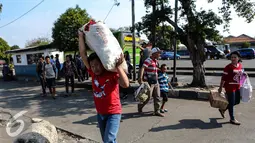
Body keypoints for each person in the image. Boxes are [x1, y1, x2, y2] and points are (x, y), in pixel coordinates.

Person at [78, 30, 129, 143]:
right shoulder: (92, 72)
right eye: (92, 66)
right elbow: (83, 54)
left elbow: (126, 84)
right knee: (107, 140)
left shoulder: (111, 73)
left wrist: (119, 67)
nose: (94, 68)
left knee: (109, 140)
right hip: (100, 113)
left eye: (96, 65)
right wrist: (81, 36)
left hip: (113, 113)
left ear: (102, 63)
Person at [218, 51, 243, 125]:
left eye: (235, 57)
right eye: (232, 57)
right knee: (231, 103)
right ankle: (232, 119)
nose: (233, 58)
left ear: (238, 58)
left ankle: (223, 109)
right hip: (229, 87)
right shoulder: (228, 67)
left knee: (237, 101)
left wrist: (244, 76)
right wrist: (220, 88)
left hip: (237, 86)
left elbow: (240, 75)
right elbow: (223, 79)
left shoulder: (239, 65)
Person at [138, 47, 164, 117]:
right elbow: (143, 67)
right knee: (147, 97)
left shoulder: (155, 61)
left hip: (155, 81)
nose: (159, 54)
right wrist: (140, 78)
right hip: (149, 82)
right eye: (158, 53)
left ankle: (157, 111)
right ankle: (140, 106)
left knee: (158, 96)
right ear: (154, 53)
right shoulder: (148, 60)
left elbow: (154, 69)